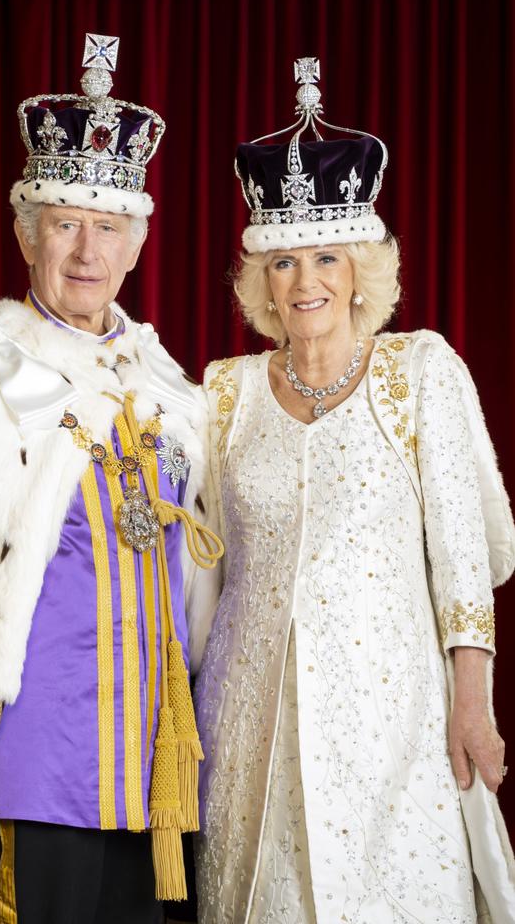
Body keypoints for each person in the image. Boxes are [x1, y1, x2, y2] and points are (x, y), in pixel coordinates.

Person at [0, 33, 221, 924]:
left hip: (153, 763)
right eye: (64, 221)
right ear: (27, 233)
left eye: (107, 227)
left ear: (137, 244)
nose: (86, 249)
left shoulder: (174, 393)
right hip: (28, 760)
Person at [193, 58, 515, 924]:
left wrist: (472, 705)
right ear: (260, 278)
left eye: (327, 256)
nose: (307, 282)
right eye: (285, 261)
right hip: (249, 725)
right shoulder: (222, 394)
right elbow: (197, 574)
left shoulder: (420, 373)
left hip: (393, 726)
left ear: (361, 267)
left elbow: (462, 558)